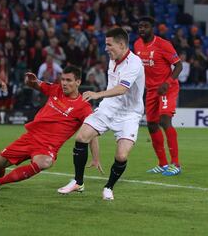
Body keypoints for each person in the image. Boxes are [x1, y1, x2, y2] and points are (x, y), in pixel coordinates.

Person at [0, 66, 101, 191]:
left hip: (47, 147)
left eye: (69, 80)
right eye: (63, 79)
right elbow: (34, 84)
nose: (64, 83)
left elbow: (90, 132)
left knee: (45, 162)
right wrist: (30, 81)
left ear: (78, 82)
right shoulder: (55, 89)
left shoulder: (83, 107)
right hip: (29, 138)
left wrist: (95, 158)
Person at [58, 27, 145, 200]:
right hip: (109, 107)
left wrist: (97, 94)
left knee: (121, 155)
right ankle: (78, 182)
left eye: (109, 45)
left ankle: (109, 187)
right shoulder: (113, 59)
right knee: (81, 137)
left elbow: (122, 89)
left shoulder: (134, 63)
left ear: (121, 44)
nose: (106, 49)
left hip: (130, 114)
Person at [134, 16, 183, 176]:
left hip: (166, 88)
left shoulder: (163, 44)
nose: (142, 29)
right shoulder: (137, 44)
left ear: (152, 28)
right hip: (151, 90)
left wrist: (167, 83)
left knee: (164, 120)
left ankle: (176, 164)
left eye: (145, 26)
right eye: (140, 26)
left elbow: (178, 65)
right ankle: (162, 164)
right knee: (152, 125)